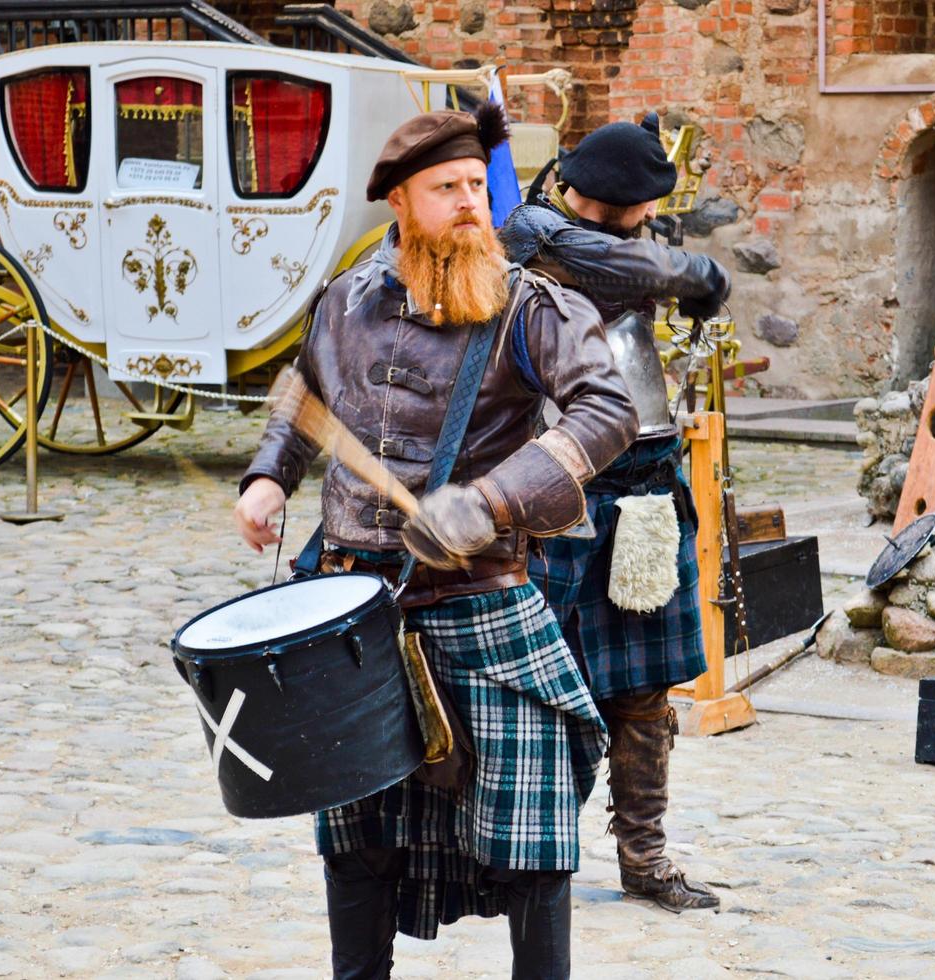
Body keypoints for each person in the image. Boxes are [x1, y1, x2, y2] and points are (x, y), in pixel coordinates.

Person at [233, 102, 638, 979]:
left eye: (474, 186)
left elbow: (607, 411)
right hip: (353, 610)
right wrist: (271, 475)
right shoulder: (345, 300)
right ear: (402, 205)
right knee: (359, 833)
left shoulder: (534, 307)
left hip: (480, 602)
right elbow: (303, 393)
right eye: (444, 188)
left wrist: (489, 501)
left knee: (533, 834)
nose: (468, 203)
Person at [500, 114, 732, 912]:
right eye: (643, 208)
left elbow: (690, 279)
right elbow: (625, 267)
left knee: (643, 690)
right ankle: (536, 851)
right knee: (548, 682)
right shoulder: (532, 232)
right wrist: (677, 268)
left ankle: (645, 859)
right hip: (557, 482)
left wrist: (676, 268)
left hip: (645, 476)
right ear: (614, 202)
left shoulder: (634, 249)